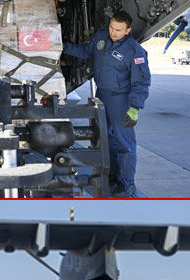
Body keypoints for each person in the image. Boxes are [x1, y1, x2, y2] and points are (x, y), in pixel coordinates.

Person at [61, 10, 151, 197]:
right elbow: (85, 51)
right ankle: (112, 175)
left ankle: (127, 184)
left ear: (128, 30)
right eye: (112, 27)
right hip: (102, 96)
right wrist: (62, 46)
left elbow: (141, 82)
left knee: (125, 144)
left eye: (118, 30)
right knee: (106, 140)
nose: (113, 32)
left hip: (121, 100)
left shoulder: (134, 50)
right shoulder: (101, 38)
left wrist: (135, 107)